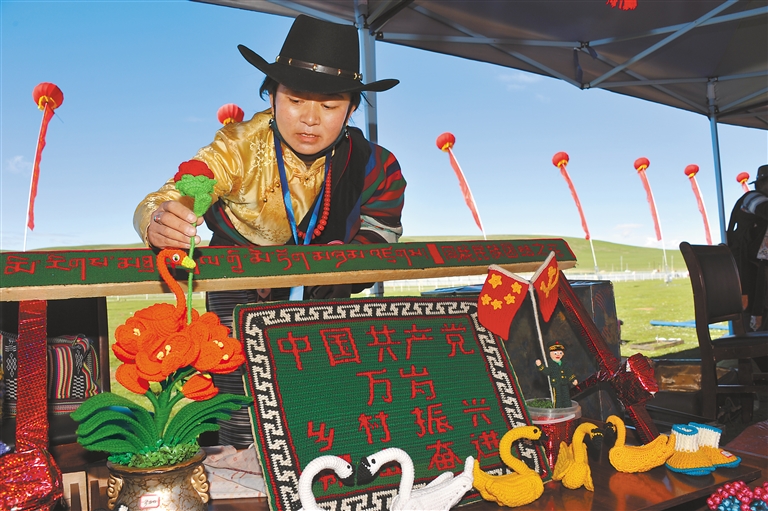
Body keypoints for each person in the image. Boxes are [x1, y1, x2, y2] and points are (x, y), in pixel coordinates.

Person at [134, 14, 406, 309]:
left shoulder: (376, 166)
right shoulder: (236, 147)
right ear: (272, 97)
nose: (310, 119)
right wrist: (157, 223)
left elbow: (383, 229)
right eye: (295, 100)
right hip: (235, 280)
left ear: (351, 109)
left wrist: (348, 260)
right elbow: (163, 201)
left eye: (329, 105)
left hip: (323, 291)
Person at [727, 164, 768, 331]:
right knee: (751, 313)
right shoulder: (752, 198)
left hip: (758, 270)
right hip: (748, 270)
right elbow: (765, 209)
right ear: (762, 184)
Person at [535, 342, 578, 408]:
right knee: (558, 398)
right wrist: (540, 366)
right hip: (556, 384)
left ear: (563, 354)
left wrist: (573, 379)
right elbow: (547, 371)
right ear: (550, 354)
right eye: (555, 353)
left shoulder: (564, 363)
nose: (558, 355)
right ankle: (558, 409)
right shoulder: (551, 364)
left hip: (564, 383)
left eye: (560, 353)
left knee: (566, 396)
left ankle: (567, 408)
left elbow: (568, 372)